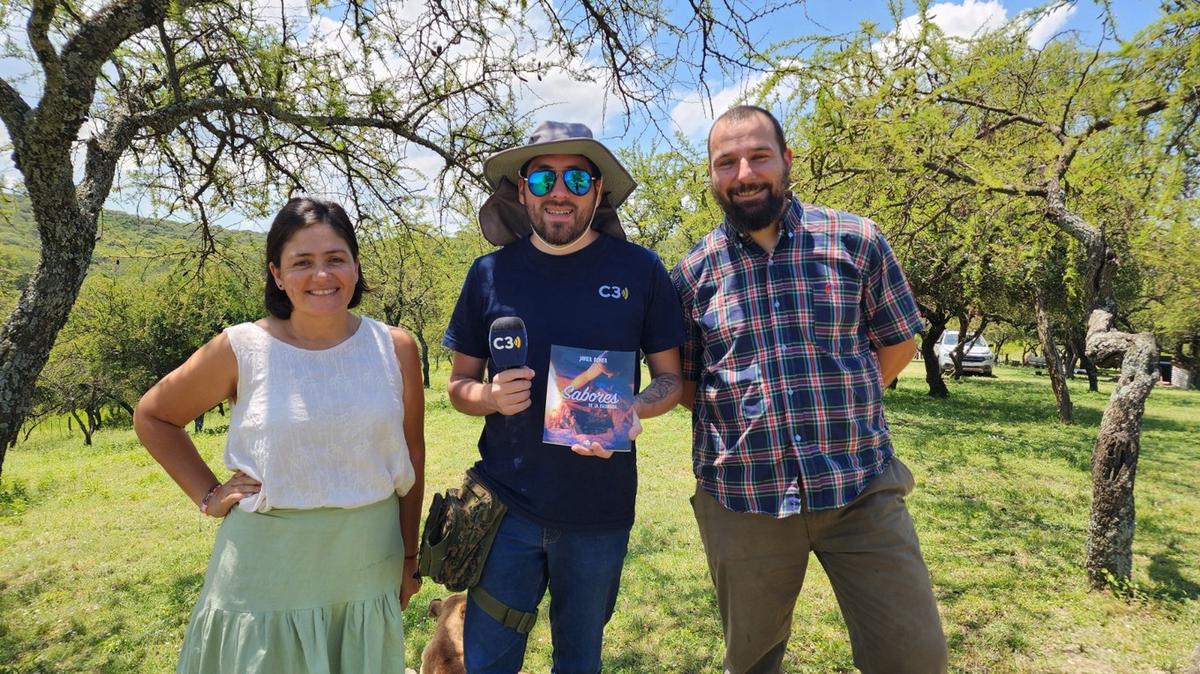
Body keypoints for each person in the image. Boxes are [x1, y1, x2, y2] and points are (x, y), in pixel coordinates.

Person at [671, 105, 948, 674]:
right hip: (743, 499)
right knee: (752, 662)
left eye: (758, 156)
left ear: (787, 160)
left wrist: (846, 399)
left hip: (861, 487)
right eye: (727, 161)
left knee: (914, 657)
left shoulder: (857, 239)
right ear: (712, 175)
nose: (744, 172)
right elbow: (689, 384)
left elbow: (898, 344)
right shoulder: (692, 275)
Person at [134, 197, 425, 673]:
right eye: (302, 262)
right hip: (266, 572)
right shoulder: (241, 347)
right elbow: (154, 415)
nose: (322, 276)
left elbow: (412, 455)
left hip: (368, 563)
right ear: (276, 273)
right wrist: (208, 494)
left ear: (354, 265)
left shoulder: (395, 347)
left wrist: (409, 555)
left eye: (335, 259)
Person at [443, 120, 684, 674]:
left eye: (577, 178)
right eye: (544, 177)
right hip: (505, 511)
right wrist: (488, 396)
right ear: (522, 188)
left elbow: (670, 381)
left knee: (579, 662)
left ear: (597, 192)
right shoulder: (488, 275)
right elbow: (457, 388)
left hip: (598, 513)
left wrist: (631, 411)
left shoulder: (640, 270)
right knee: (487, 665)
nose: (560, 191)